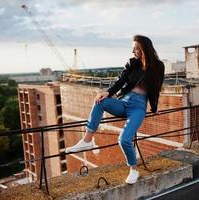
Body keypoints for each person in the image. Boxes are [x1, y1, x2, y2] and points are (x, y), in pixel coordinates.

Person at [65, 35, 165, 184]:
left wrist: (154, 108)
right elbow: (121, 81)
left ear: (144, 48)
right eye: (133, 47)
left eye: (136, 47)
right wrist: (108, 93)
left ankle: (133, 169)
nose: (133, 51)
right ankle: (87, 140)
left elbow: (156, 88)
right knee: (100, 101)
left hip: (138, 108)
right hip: (123, 102)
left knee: (124, 139)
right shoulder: (132, 63)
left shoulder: (158, 66)